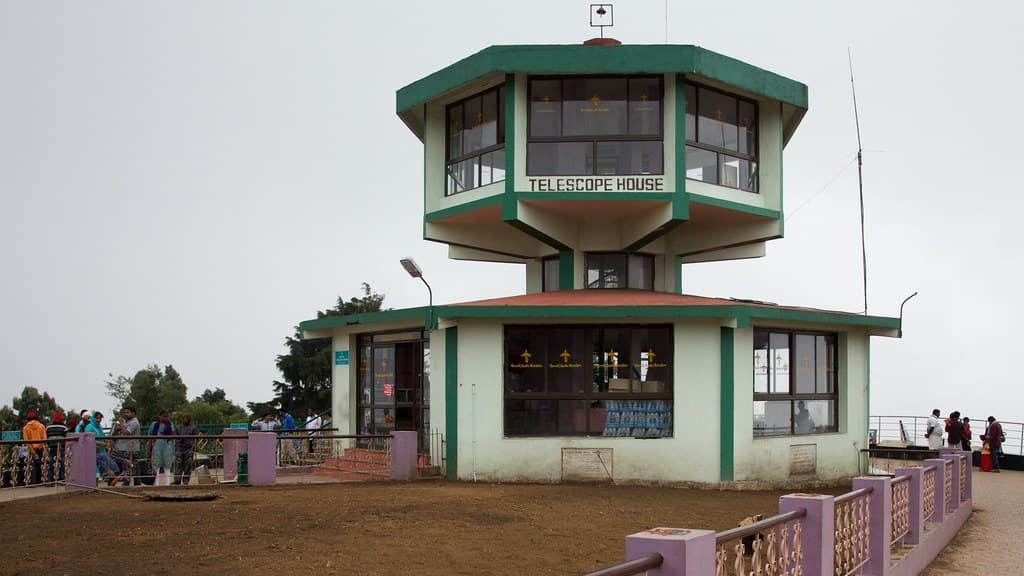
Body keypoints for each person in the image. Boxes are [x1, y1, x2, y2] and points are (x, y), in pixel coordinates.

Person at [87, 412, 125, 485]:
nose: (98, 420)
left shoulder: (99, 427)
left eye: (100, 418)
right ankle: (110, 475)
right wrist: (103, 444)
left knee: (112, 461)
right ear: (93, 418)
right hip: (92, 452)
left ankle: (113, 477)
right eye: (97, 418)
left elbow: (103, 436)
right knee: (104, 461)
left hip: (101, 451)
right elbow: (88, 440)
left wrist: (109, 442)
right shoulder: (89, 427)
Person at [148, 411, 176, 486]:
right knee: (156, 465)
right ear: (159, 416)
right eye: (164, 416)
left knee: (167, 465)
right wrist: (150, 445)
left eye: (166, 416)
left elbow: (173, 435)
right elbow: (150, 435)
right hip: (156, 446)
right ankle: (156, 484)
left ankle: (167, 484)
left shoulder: (170, 424)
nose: (165, 418)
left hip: (167, 446)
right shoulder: (154, 424)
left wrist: (171, 429)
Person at [21, 411, 47, 485]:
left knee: (31, 466)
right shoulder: (41, 426)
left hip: (31, 449)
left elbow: (26, 440)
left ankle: (33, 482)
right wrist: (40, 446)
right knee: (42, 465)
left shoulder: (25, 428)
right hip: (40, 449)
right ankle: (42, 481)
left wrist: (32, 450)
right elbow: (44, 438)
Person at [172, 413, 199, 485]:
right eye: (184, 418)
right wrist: (178, 442)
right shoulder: (178, 427)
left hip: (189, 448)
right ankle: (177, 480)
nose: (185, 420)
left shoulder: (193, 428)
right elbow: (175, 437)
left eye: (186, 418)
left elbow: (196, 438)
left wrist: (194, 446)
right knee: (178, 465)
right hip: (179, 448)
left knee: (188, 465)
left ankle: (186, 480)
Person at [45, 412, 68, 482]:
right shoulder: (64, 427)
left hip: (51, 446)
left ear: (53, 419)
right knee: (62, 461)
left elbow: (46, 437)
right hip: (61, 446)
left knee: (51, 462)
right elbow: (67, 437)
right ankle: (62, 478)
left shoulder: (48, 427)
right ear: (60, 419)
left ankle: (50, 478)